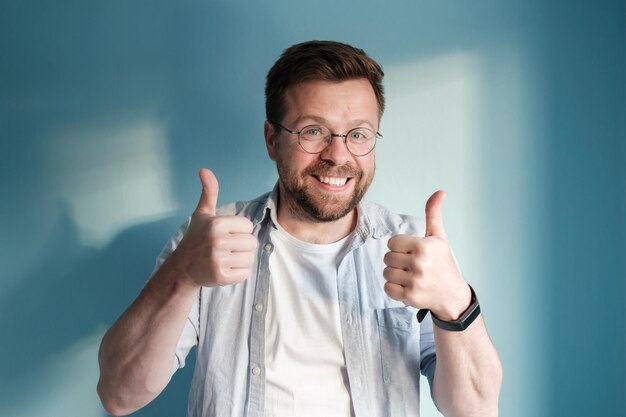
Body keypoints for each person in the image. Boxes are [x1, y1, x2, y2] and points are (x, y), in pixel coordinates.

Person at [97, 40, 502, 417]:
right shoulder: (208, 242)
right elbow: (120, 395)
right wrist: (181, 275)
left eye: (358, 134)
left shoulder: (415, 250)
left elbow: (475, 410)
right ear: (272, 139)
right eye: (313, 131)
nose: (338, 155)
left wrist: (455, 301)